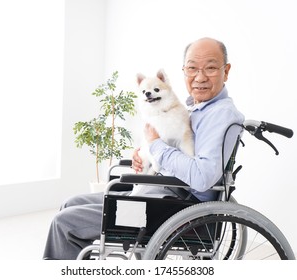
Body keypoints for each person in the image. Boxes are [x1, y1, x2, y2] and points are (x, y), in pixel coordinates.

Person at [43, 37, 244, 260]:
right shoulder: (195, 109)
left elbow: (202, 177)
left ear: (226, 71)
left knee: (64, 222)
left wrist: (157, 146)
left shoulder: (221, 114)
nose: (200, 77)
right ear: (184, 71)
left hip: (172, 206)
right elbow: (170, 146)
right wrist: (145, 153)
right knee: (70, 204)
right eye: (192, 68)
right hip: (156, 193)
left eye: (211, 68)